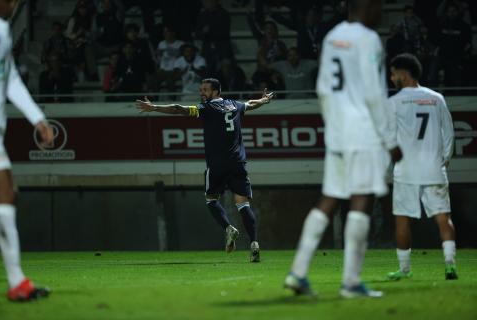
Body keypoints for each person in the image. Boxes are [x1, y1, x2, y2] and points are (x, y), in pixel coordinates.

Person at [284, 0, 402, 298]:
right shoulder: (369, 38)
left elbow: (323, 88)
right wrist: (389, 140)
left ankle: (297, 272)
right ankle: (351, 282)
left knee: (331, 197)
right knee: (361, 200)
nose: (381, 12)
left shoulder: (332, 36)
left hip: (337, 131)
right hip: (362, 131)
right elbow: (374, 93)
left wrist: (334, 125)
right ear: (367, 6)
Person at [136, 78, 275, 262]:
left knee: (211, 199)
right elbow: (250, 104)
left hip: (217, 164)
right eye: (201, 89)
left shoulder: (206, 108)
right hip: (238, 164)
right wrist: (264, 101)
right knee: (243, 204)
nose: (202, 93)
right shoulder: (234, 105)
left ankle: (228, 228)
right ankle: (254, 243)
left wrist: (154, 108)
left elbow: (179, 109)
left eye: (206, 90)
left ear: (217, 91)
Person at [0, 0, 54, 302]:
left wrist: (37, 118)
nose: (15, 3)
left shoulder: (2, 30)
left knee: (6, 195)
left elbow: (9, 80)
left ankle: (18, 282)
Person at [386, 53, 457, 281]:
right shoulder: (436, 98)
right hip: (434, 168)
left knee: (402, 220)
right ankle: (450, 265)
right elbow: (449, 131)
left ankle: (404, 269)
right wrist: (445, 158)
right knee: (443, 218)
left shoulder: (394, 102)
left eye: (393, 73)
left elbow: (387, 138)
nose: (391, 77)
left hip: (406, 170)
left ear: (403, 75)